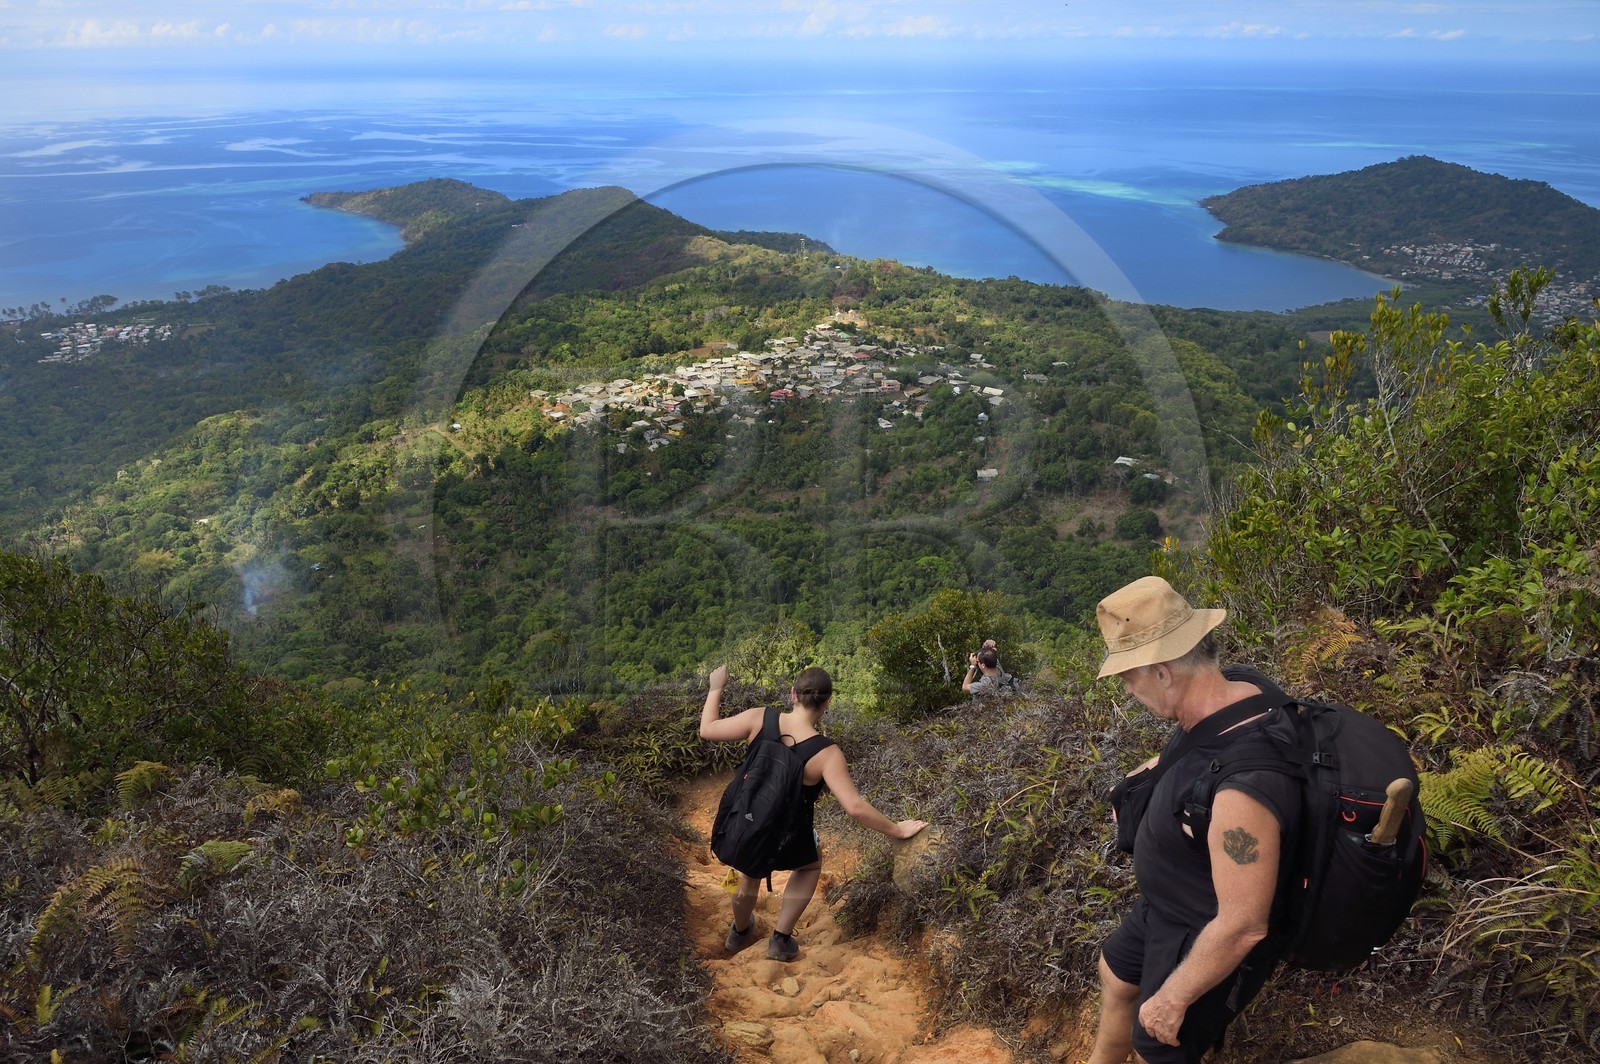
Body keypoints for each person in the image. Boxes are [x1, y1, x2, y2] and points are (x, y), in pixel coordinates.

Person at [1087, 576, 1300, 1064]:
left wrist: (1173, 998)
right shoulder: (1239, 688)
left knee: (1154, 1047)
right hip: (1169, 902)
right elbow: (1197, 753)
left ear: (1162, 672)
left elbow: (1244, 925)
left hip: (1205, 932)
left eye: (1128, 677)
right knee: (1116, 975)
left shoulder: (1245, 791)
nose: (1128, 690)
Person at [700, 663, 928, 961]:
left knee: (747, 872)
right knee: (809, 864)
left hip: (739, 823)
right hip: (784, 837)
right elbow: (855, 808)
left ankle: (740, 931)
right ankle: (780, 939)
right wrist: (898, 830)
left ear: (793, 693)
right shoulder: (826, 753)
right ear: (827, 702)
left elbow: (707, 729)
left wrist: (716, 687)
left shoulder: (760, 717)